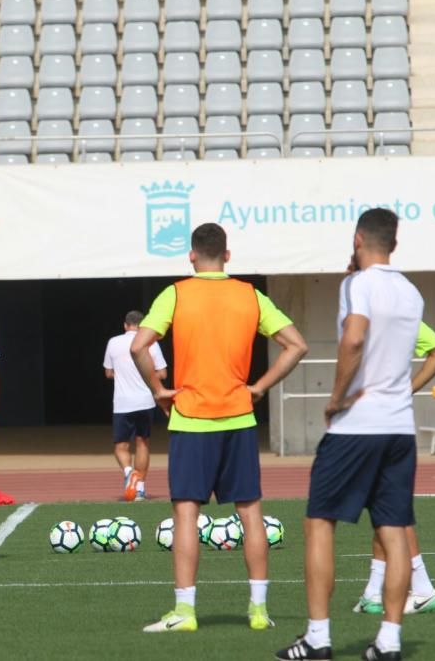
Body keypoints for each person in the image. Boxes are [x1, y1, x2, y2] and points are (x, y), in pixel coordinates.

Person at [131, 223, 308, 633]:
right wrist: (260, 387)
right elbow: (297, 344)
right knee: (250, 513)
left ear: (192, 255)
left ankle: (185, 611)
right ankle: (259, 611)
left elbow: (139, 345)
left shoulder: (176, 293)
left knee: (187, 514)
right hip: (239, 418)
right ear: (227, 255)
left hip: (192, 420)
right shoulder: (250, 295)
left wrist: (158, 388)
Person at [275, 209, 420, 661]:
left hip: (358, 423)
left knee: (320, 521)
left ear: (358, 239)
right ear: (393, 243)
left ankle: (318, 637)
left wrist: (337, 396)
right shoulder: (412, 292)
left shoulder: (358, 284)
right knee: (394, 531)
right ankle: (389, 642)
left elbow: (354, 339)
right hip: (400, 426)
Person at [352, 322, 435, 617]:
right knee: (383, 507)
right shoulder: (394, 309)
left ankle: (422, 587)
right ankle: (373, 592)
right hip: (385, 421)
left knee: (391, 509)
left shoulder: (383, 312)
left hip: (379, 423)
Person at [103, 310, 167, 501]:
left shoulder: (113, 342)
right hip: (145, 401)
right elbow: (162, 374)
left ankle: (129, 471)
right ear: (143, 325)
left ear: (125, 325)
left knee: (121, 446)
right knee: (142, 443)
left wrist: (122, 374)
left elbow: (108, 373)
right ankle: (139, 488)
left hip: (122, 402)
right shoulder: (150, 342)